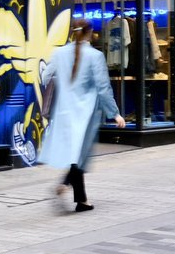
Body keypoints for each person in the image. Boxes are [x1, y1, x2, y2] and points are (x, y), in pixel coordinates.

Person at [39, 19, 126, 212]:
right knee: (80, 155)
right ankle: (65, 186)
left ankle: (81, 200)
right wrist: (115, 114)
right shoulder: (95, 56)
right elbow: (103, 88)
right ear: (90, 33)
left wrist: (64, 79)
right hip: (85, 114)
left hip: (63, 112)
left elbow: (45, 77)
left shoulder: (59, 53)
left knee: (75, 155)